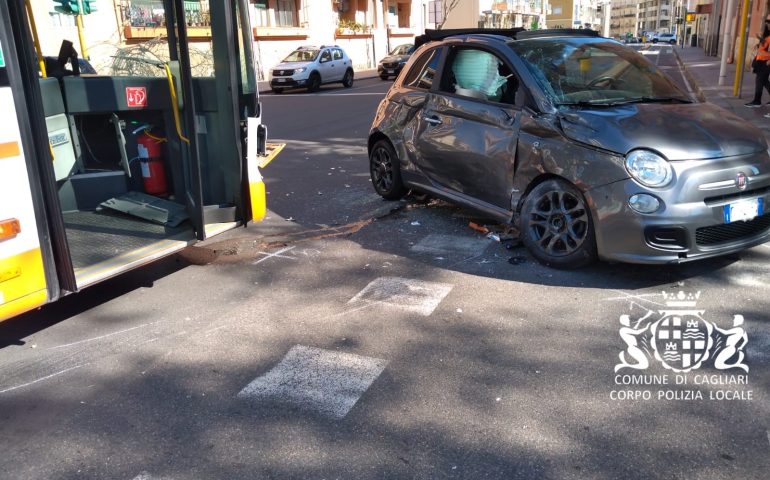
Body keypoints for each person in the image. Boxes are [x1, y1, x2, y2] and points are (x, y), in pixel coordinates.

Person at [745, 17, 770, 107]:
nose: (768, 25)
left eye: (769, 23)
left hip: (766, 63)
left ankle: (757, 101)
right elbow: (764, 49)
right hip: (760, 62)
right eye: (767, 23)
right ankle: (757, 101)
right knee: (764, 81)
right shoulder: (767, 37)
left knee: (760, 81)